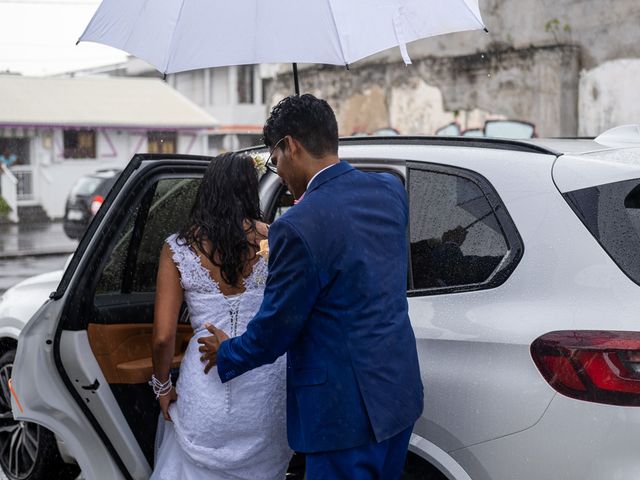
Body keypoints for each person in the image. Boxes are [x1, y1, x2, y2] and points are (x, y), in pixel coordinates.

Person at [198, 94, 424, 479]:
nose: (278, 170)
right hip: (397, 396)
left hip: (342, 418)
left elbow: (276, 329)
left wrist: (228, 353)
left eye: (275, 158)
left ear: (291, 146)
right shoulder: (390, 192)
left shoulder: (297, 226)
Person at [150, 152, 292, 480]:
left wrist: (162, 386)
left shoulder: (178, 249)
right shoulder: (273, 239)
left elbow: (161, 336)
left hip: (204, 391)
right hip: (265, 389)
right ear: (249, 191)